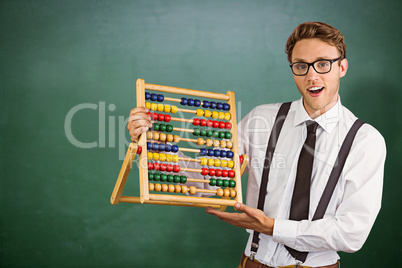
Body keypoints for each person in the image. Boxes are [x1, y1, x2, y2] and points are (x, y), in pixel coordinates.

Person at [127, 22, 386, 268]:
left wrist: (272, 227)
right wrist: (154, 142)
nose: (312, 76)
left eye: (322, 64)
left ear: (342, 67)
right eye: (301, 66)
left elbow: (352, 233)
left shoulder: (365, 141)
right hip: (251, 262)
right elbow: (206, 182)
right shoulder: (262, 119)